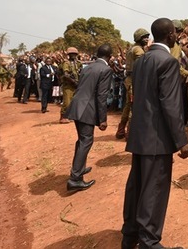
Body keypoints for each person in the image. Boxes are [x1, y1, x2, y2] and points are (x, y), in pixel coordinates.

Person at [121, 18, 188, 249]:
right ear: (170, 35)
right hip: (157, 137)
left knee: (137, 185)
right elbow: (170, 104)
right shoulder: (168, 62)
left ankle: (130, 235)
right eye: (175, 34)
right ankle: (149, 241)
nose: (177, 37)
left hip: (140, 134)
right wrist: (181, 140)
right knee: (154, 189)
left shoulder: (142, 60)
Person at [65, 44, 113, 192]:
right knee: (86, 141)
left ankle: (79, 168)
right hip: (87, 108)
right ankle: (75, 178)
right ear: (110, 57)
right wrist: (102, 119)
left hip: (77, 105)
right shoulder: (106, 69)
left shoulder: (88, 67)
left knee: (81, 140)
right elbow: (101, 95)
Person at [116, 28, 149, 139]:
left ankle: (121, 130)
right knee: (133, 107)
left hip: (129, 80)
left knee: (128, 106)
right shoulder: (138, 50)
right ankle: (130, 134)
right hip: (135, 81)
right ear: (139, 38)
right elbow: (143, 63)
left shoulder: (132, 48)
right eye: (144, 37)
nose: (147, 39)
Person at [60, 47, 82, 124]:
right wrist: (73, 81)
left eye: (74, 54)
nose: (73, 55)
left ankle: (69, 116)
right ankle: (63, 117)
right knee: (67, 102)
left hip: (76, 84)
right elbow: (66, 75)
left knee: (73, 101)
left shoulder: (78, 63)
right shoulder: (66, 63)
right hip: (68, 85)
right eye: (71, 54)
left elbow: (80, 72)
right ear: (69, 55)